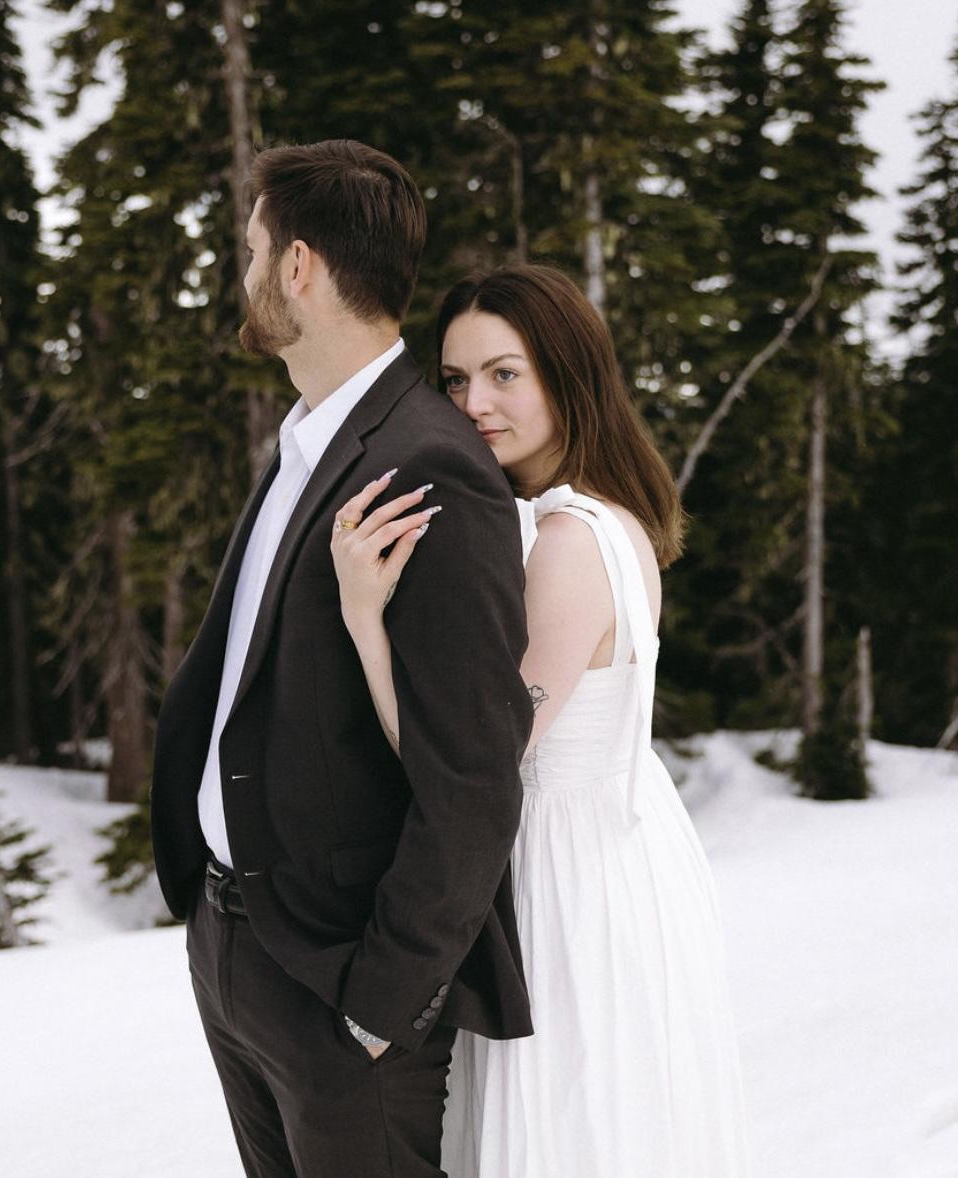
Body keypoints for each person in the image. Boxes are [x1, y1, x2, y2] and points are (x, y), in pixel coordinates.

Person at [149, 141, 535, 1178]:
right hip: (236, 947)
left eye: (251, 251)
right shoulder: (309, 439)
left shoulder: (432, 464)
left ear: (298, 267)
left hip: (339, 989)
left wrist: (381, 1002)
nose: (243, 273)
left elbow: (475, 777)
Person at [331, 264, 751, 1178]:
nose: (473, 403)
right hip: (617, 849)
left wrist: (363, 618)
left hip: (568, 877)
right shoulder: (607, 518)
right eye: (455, 379)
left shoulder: (567, 542)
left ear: (568, 375)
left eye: (504, 374)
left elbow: (471, 763)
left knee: (565, 1125)